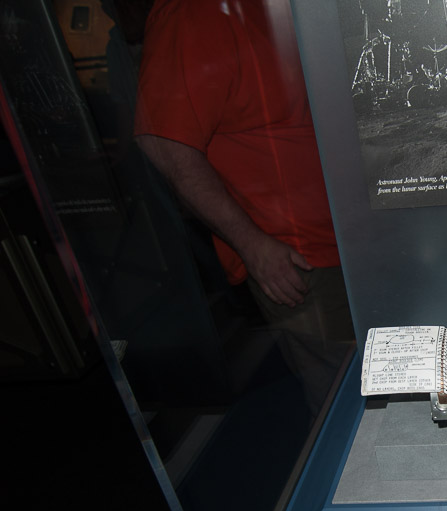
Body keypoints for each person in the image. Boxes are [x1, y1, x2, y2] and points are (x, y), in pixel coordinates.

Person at [133, 0, 353, 411]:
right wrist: (253, 245)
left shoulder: (282, 9)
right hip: (301, 257)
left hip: (357, 239)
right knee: (344, 391)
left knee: (391, 368)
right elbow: (164, 143)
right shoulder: (193, 13)